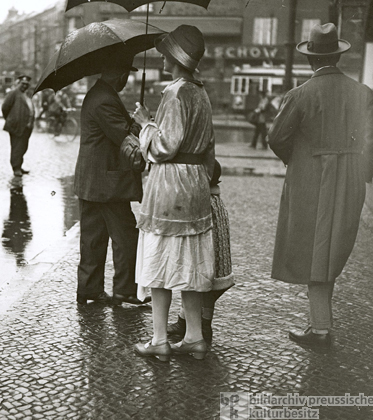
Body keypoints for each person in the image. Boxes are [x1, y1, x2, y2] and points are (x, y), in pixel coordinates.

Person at [268, 23, 373, 349]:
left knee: (314, 250)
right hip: (350, 178)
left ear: (310, 60)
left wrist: (298, 160)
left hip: (312, 178)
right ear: (338, 57)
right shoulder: (363, 93)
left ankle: (320, 331)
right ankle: (320, 322)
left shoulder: (300, 95)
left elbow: (277, 138)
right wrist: (362, 172)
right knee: (330, 250)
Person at [132, 25, 215, 362]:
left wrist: (145, 124)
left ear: (174, 58)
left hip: (169, 186)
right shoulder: (201, 92)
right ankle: (194, 337)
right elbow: (208, 147)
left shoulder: (175, 92)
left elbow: (164, 146)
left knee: (161, 260)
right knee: (190, 264)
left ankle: (158, 340)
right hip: (196, 184)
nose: (163, 58)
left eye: (166, 53)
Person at [74, 49, 149, 306]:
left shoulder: (98, 94)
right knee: (126, 236)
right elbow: (123, 136)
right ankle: (125, 291)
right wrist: (142, 122)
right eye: (125, 75)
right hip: (107, 183)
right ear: (117, 75)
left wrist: (130, 118)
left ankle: (89, 289)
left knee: (93, 237)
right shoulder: (105, 98)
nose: (126, 80)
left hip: (93, 181)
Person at [167, 160, 235, 346]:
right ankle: (185, 322)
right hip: (222, 265)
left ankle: (204, 326)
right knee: (203, 293)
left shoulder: (206, 204)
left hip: (212, 264)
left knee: (201, 291)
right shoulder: (216, 201)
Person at [2, 75, 35, 177]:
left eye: (27, 84)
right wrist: (11, 119)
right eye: (23, 84)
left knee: (23, 147)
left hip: (26, 127)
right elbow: (5, 107)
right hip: (16, 126)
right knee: (17, 147)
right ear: (18, 83)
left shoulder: (27, 95)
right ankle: (16, 168)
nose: (25, 86)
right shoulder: (13, 93)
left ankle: (19, 166)